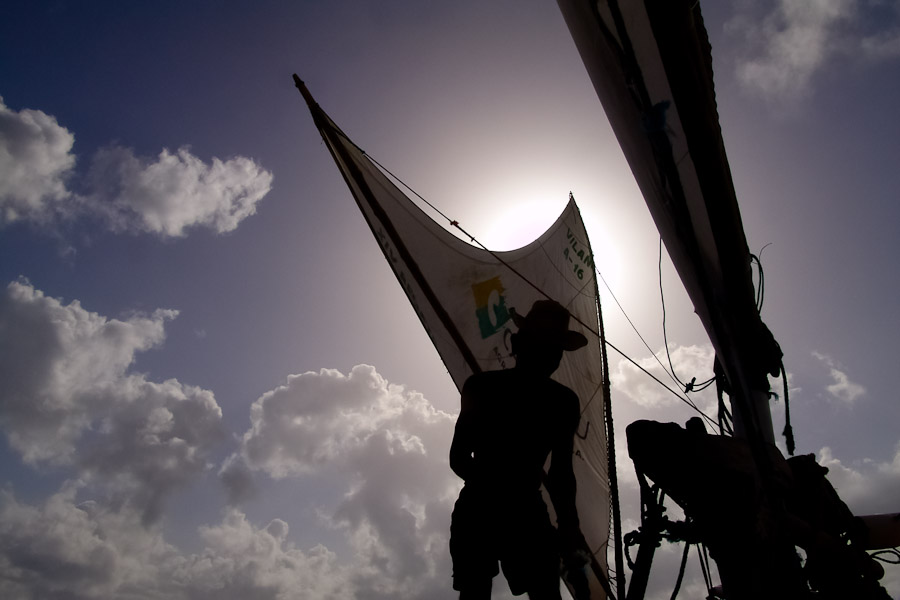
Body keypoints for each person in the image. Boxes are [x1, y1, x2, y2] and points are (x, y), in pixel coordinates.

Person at [449, 299, 590, 599]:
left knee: (544, 590)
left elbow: (562, 471)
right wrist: (502, 491)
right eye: (544, 345)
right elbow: (458, 458)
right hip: (486, 510)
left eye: (555, 349)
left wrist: (569, 527)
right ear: (519, 343)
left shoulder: (562, 402)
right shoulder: (482, 388)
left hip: (517, 511)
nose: (550, 356)